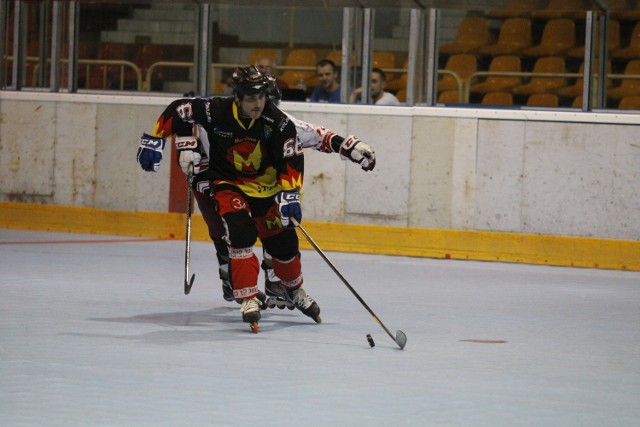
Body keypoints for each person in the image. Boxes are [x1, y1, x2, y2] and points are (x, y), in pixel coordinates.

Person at [137, 69, 377, 321]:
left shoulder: (281, 122)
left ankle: (288, 287)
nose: (259, 104)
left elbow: (307, 145)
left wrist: (293, 190)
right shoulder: (215, 110)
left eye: (264, 97)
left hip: (265, 190)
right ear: (238, 98)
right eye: (252, 98)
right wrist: (167, 140)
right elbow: (181, 112)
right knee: (236, 231)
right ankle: (243, 291)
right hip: (225, 182)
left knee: (283, 243)